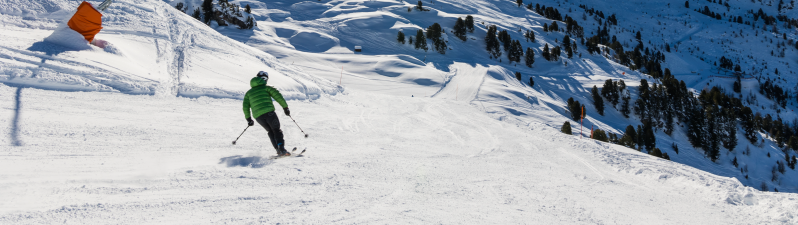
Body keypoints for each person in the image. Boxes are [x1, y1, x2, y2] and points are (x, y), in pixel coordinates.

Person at [243, 71, 292, 156]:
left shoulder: (248, 93)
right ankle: (281, 149)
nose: (265, 81)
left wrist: (248, 119)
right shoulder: (266, 88)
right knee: (276, 130)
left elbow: (245, 107)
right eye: (265, 79)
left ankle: (278, 149)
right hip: (269, 113)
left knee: (270, 131)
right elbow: (278, 96)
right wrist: (285, 108)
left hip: (258, 117)